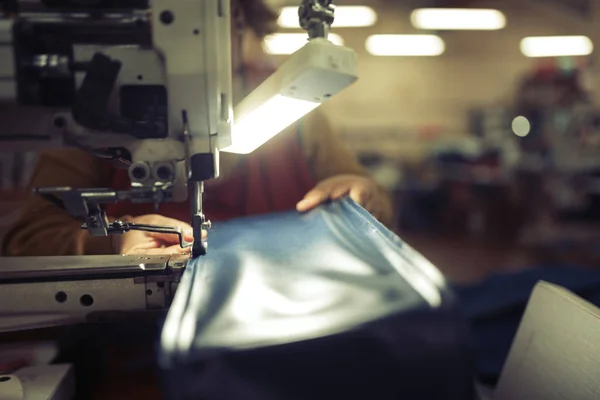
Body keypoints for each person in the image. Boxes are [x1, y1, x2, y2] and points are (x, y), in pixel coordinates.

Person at [2, 0, 394, 258]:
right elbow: (26, 240)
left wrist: (364, 195)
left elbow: (376, 206)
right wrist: (110, 242)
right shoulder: (90, 120)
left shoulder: (296, 109)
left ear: (241, 26)